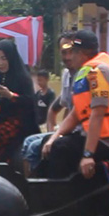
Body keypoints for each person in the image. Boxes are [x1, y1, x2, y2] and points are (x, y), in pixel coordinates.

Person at [42, 30, 109, 179]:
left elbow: (98, 114)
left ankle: (58, 197)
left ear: (83, 53)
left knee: (61, 149)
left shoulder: (98, 72)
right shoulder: (87, 71)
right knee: (50, 143)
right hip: (98, 137)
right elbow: (76, 113)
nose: (69, 56)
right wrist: (54, 136)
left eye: (73, 52)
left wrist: (88, 154)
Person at [21, 31, 87, 177]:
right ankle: (29, 186)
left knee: (34, 147)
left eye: (71, 52)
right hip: (69, 130)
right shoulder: (66, 75)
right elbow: (58, 107)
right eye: (64, 52)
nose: (68, 57)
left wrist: (55, 136)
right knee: (28, 143)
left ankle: (41, 187)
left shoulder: (86, 75)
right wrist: (52, 129)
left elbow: (76, 114)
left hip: (82, 133)